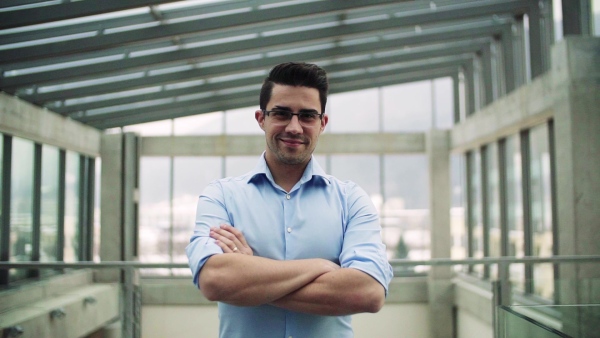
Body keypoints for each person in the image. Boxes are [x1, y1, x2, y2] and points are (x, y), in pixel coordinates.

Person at [186, 62, 393, 338]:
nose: (294, 127)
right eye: (282, 114)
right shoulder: (222, 196)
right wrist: (320, 267)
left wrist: (251, 277)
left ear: (322, 123)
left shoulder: (351, 200)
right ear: (261, 119)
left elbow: (368, 293)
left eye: (307, 116)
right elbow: (215, 281)